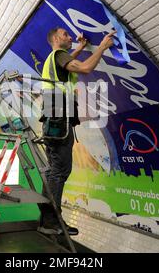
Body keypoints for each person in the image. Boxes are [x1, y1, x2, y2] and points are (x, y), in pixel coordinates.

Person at [38, 27, 115, 235]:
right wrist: (102, 47)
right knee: (60, 171)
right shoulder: (59, 55)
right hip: (60, 119)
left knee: (54, 170)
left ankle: (48, 220)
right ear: (55, 38)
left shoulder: (53, 59)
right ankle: (52, 221)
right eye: (66, 35)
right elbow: (85, 68)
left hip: (53, 120)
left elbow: (68, 63)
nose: (70, 37)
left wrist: (81, 47)